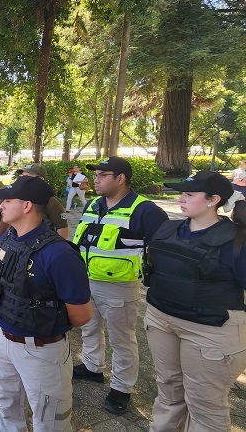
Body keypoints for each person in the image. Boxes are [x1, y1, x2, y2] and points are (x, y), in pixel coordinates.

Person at [0, 175, 92, 431]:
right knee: (8, 406)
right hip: (3, 339)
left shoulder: (59, 254)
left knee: (49, 419)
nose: (1, 205)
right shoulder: (10, 237)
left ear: (27, 206)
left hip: (41, 350)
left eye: (7, 200)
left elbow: (81, 315)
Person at [144, 171, 246, 431]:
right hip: (161, 319)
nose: (182, 198)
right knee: (168, 391)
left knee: (204, 405)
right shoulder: (168, 228)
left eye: (190, 194)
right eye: (181, 193)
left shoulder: (236, 240)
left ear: (213, 200)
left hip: (210, 329)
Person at [72, 156, 169, 414]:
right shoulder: (92, 204)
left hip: (119, 287)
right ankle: (93, 367)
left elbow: (161, 250)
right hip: (86, 280)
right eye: (96, 175)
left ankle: (122, 387)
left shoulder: (145, 210)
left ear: (121, 178)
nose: (96, 179)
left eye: (103, 175)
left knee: (122, 339)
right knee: (89, 328)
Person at [15, 163, 70, 239]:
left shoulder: (50, 200)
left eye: (27, 176)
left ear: (41, 179)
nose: (22, 179)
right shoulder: (21, 196)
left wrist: (57, 247)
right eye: (22, 176)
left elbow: (62, 228)